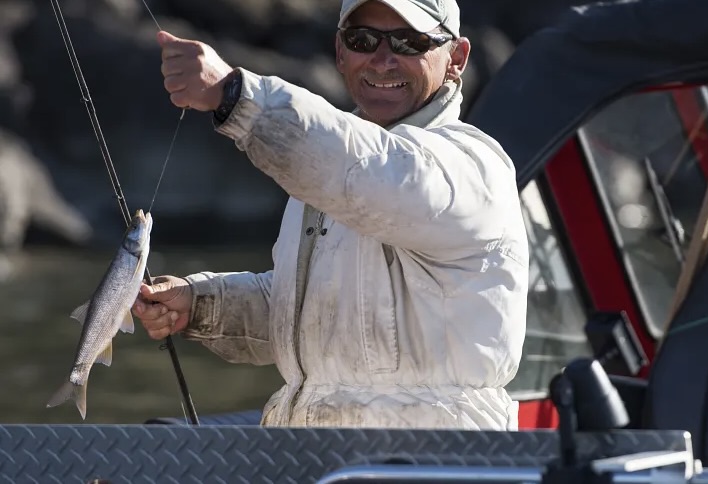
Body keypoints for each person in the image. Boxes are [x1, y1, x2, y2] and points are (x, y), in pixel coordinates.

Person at [132, 0, 528, 430]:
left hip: (431, 461)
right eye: (363, 40)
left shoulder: (470, 165)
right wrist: (202, 303)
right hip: (319, 456)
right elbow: (319, 313)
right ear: (340, 53)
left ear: (456, 59)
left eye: (409, 42)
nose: (382, 59)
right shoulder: (329, 170)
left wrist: (236, 94)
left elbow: (371, 172)